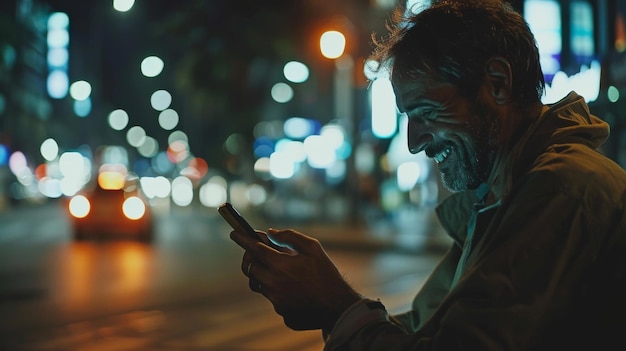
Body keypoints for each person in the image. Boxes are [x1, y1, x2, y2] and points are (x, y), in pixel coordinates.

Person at [229, 0, 626, 349]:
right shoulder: (502, 195)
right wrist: (330, 302)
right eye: (408, 117)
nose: (415, 141)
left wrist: (336, 305)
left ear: (498, 84)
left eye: (426, 112)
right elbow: (427, 330)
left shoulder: (561, 188)